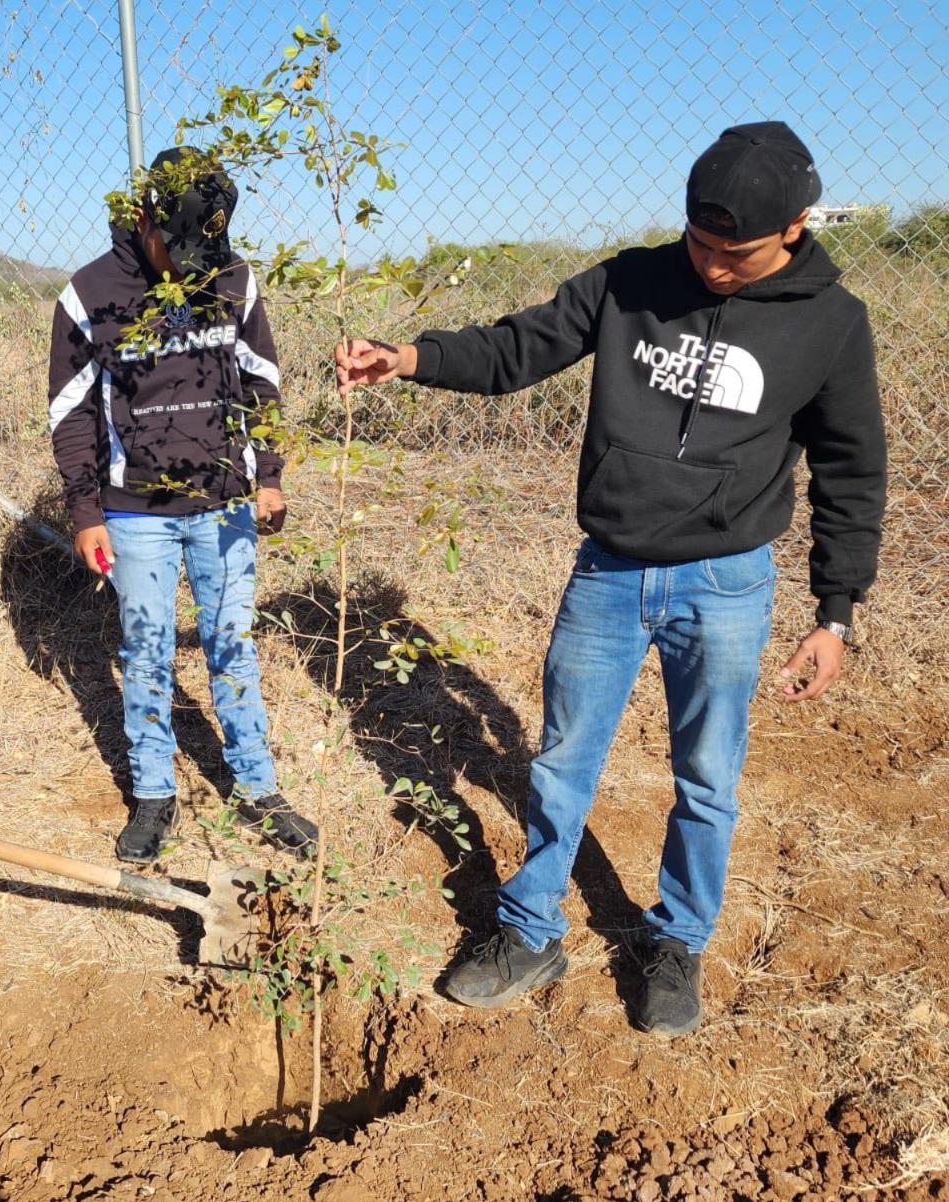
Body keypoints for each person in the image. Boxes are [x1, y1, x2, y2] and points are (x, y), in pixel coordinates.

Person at [335, 122, 886, 1037]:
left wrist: (838, 611)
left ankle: (677, 942)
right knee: (559, 763)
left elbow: (852, 471)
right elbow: (522, 346)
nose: (709, 265)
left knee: (707, 775)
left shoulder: (830, 324)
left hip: (726, 583)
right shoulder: (633, 278)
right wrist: (412, 358)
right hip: (609, 572)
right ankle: (529, 928)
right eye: (699, 243)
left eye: (734, 251)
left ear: (795, 228)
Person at [47, 146, 317, 863]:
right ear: (145, 220)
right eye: (180, 249)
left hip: (225, 506)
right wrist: (86, 513)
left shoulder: (232, 278)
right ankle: (155, 792)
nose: (193, 265)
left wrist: (270, 475)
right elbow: (71, 415)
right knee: (145, 652)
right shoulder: (89, 294)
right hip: (135, 513)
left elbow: (261, 380)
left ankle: (259, 790)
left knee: (233, 648)